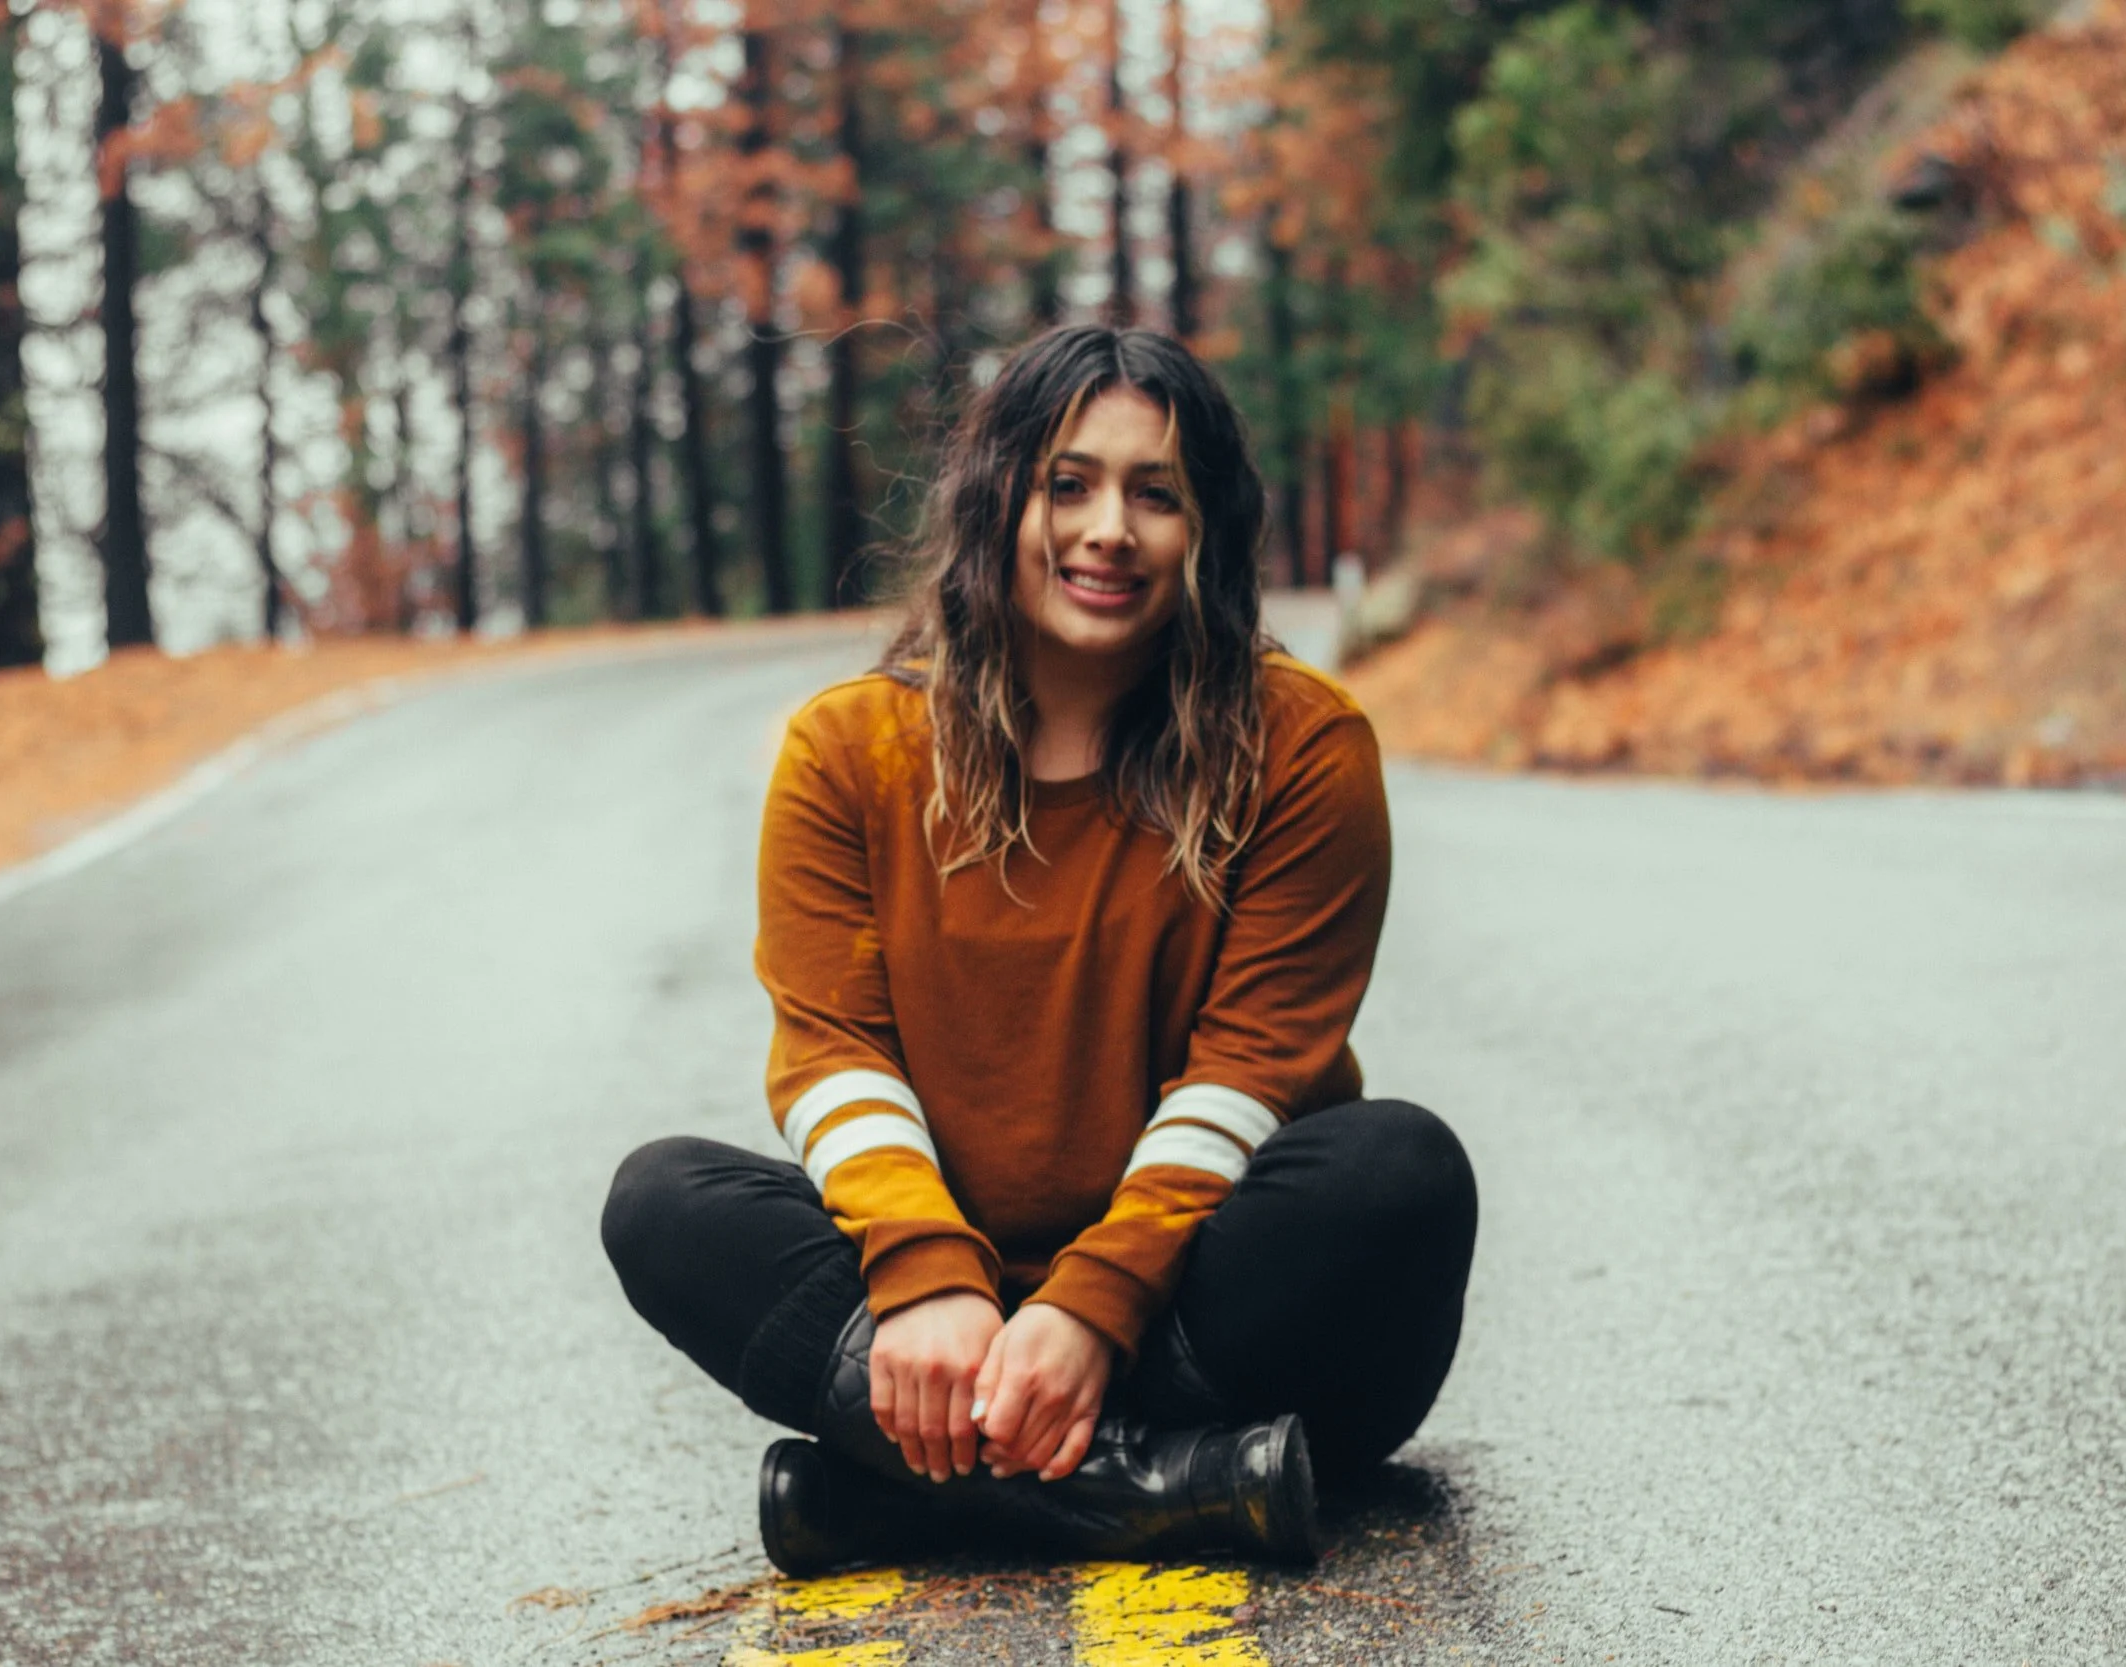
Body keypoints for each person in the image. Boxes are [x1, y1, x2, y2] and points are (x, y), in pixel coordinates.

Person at [600, 324, 1477, 1576]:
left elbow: (1248, 1070)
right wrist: (925, 1275)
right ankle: (1172, 1485)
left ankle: (912, 1498)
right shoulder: (848, 751)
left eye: (1155, 493)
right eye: (1068, 482)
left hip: (1212, 1313)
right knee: (663, 1199)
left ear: (1205, 530)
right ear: (996, 498)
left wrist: (1089, 1307)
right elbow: (833, 1053)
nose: (1108, 528)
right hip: (947, 1338)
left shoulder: (1302, 746)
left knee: (1397, 1166)